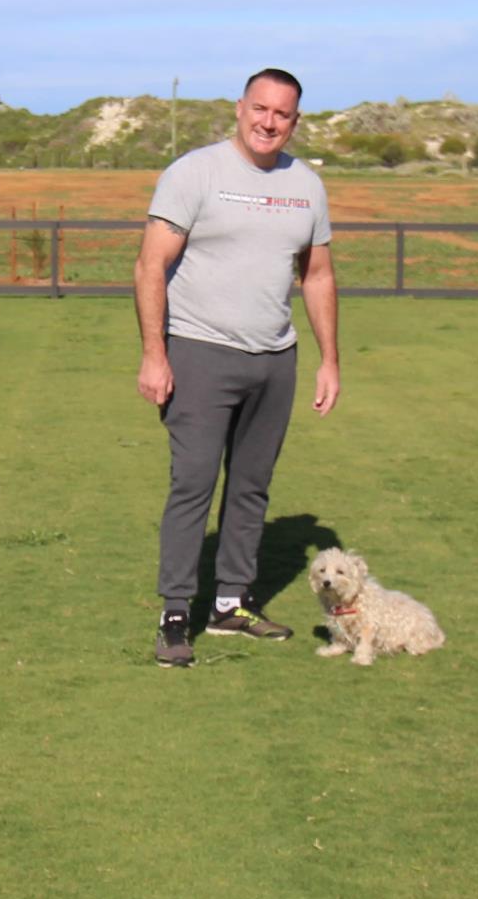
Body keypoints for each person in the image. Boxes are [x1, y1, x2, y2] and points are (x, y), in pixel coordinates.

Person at [134, 68, 340, 668]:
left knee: (251, 488)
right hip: (198, 352)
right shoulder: (194, 173)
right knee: (193, 484)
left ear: (295, 121)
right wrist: (154, 353)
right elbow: (150, 266)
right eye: (260, 108)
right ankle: (176, 614)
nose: (268, 122)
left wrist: (330, 360)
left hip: (275, 358)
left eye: (282, 114)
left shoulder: (307, 185)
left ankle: (230, 604)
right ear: (240, 108)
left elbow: (318, 275)